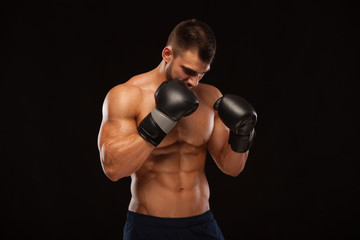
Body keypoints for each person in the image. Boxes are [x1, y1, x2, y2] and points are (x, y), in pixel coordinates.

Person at [97, 19, 257, 240]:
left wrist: (243, 134)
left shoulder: (211, 97)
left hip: (201, 224)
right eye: (188, 71)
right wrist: (160, 119)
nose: (194, 82)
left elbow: (232, 168)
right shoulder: (127, 95)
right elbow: (112, 169)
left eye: (202, 73)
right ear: (167, 54)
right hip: (148, 227)